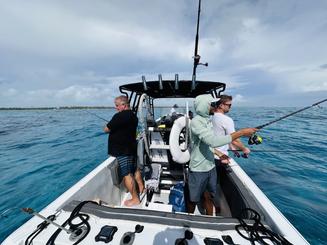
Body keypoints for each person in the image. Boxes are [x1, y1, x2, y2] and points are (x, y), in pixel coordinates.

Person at [187, 94, 257, 215]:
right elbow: (212, 141)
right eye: (212, 104)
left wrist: (219, 153)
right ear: (204, 106)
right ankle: (189, 220)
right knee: (193, 199)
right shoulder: (196, 122)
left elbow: (208, 144)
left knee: (209, 196)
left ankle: (209, 219)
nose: (215, 106)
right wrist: (241, 132)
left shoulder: (208, 120)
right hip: (198, 168)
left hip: (211, 166)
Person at [104, 95, 144, 206]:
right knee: (135, 170)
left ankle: (135, 199)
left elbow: (106, 129)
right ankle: (142, 188)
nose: (116, 108)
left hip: (122, 151)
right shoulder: (133, 116)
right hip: (131, 148)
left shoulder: (119, 116)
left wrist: (111, 123)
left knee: (127, 174)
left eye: (117, 105)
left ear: (123, 105)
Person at [212, 95, 251, 162]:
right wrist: (244, 149)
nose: (230, 107)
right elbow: (234, 139)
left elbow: (219, 135)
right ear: (221, 105)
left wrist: (231, 146)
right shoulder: (226, 120)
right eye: (229, 105)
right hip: (219, 158)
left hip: (209, 154)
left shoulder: (210, 117)